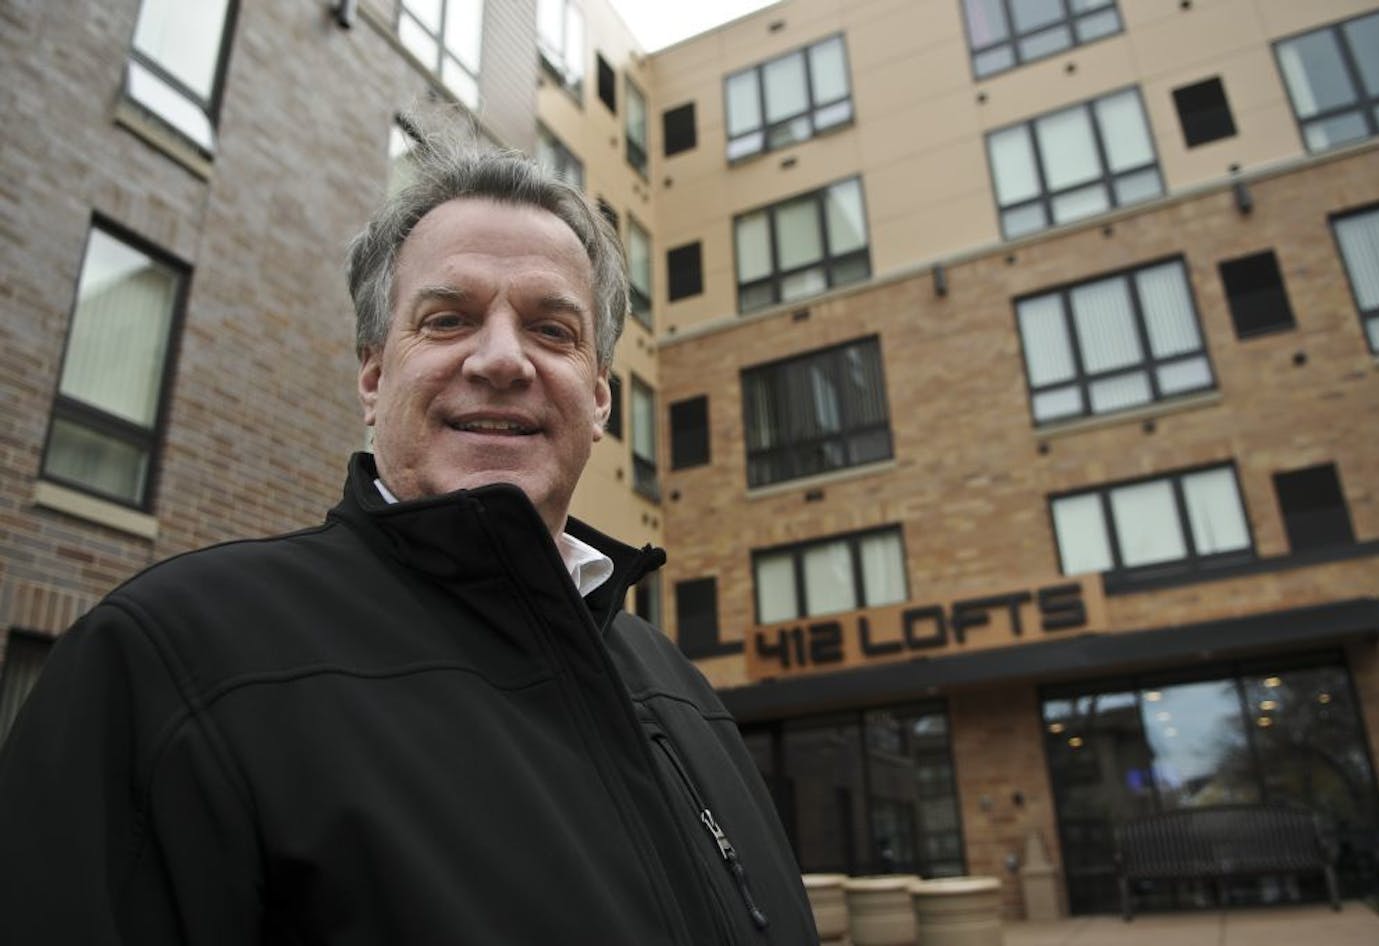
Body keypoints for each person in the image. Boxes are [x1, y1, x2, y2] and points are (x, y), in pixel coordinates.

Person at [0, 118, 818, 945]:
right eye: (449, 319)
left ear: (599, 398)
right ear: (373, 375)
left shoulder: (678, 690)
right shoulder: (169, 662)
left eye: (552, 330)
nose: (503, 359)